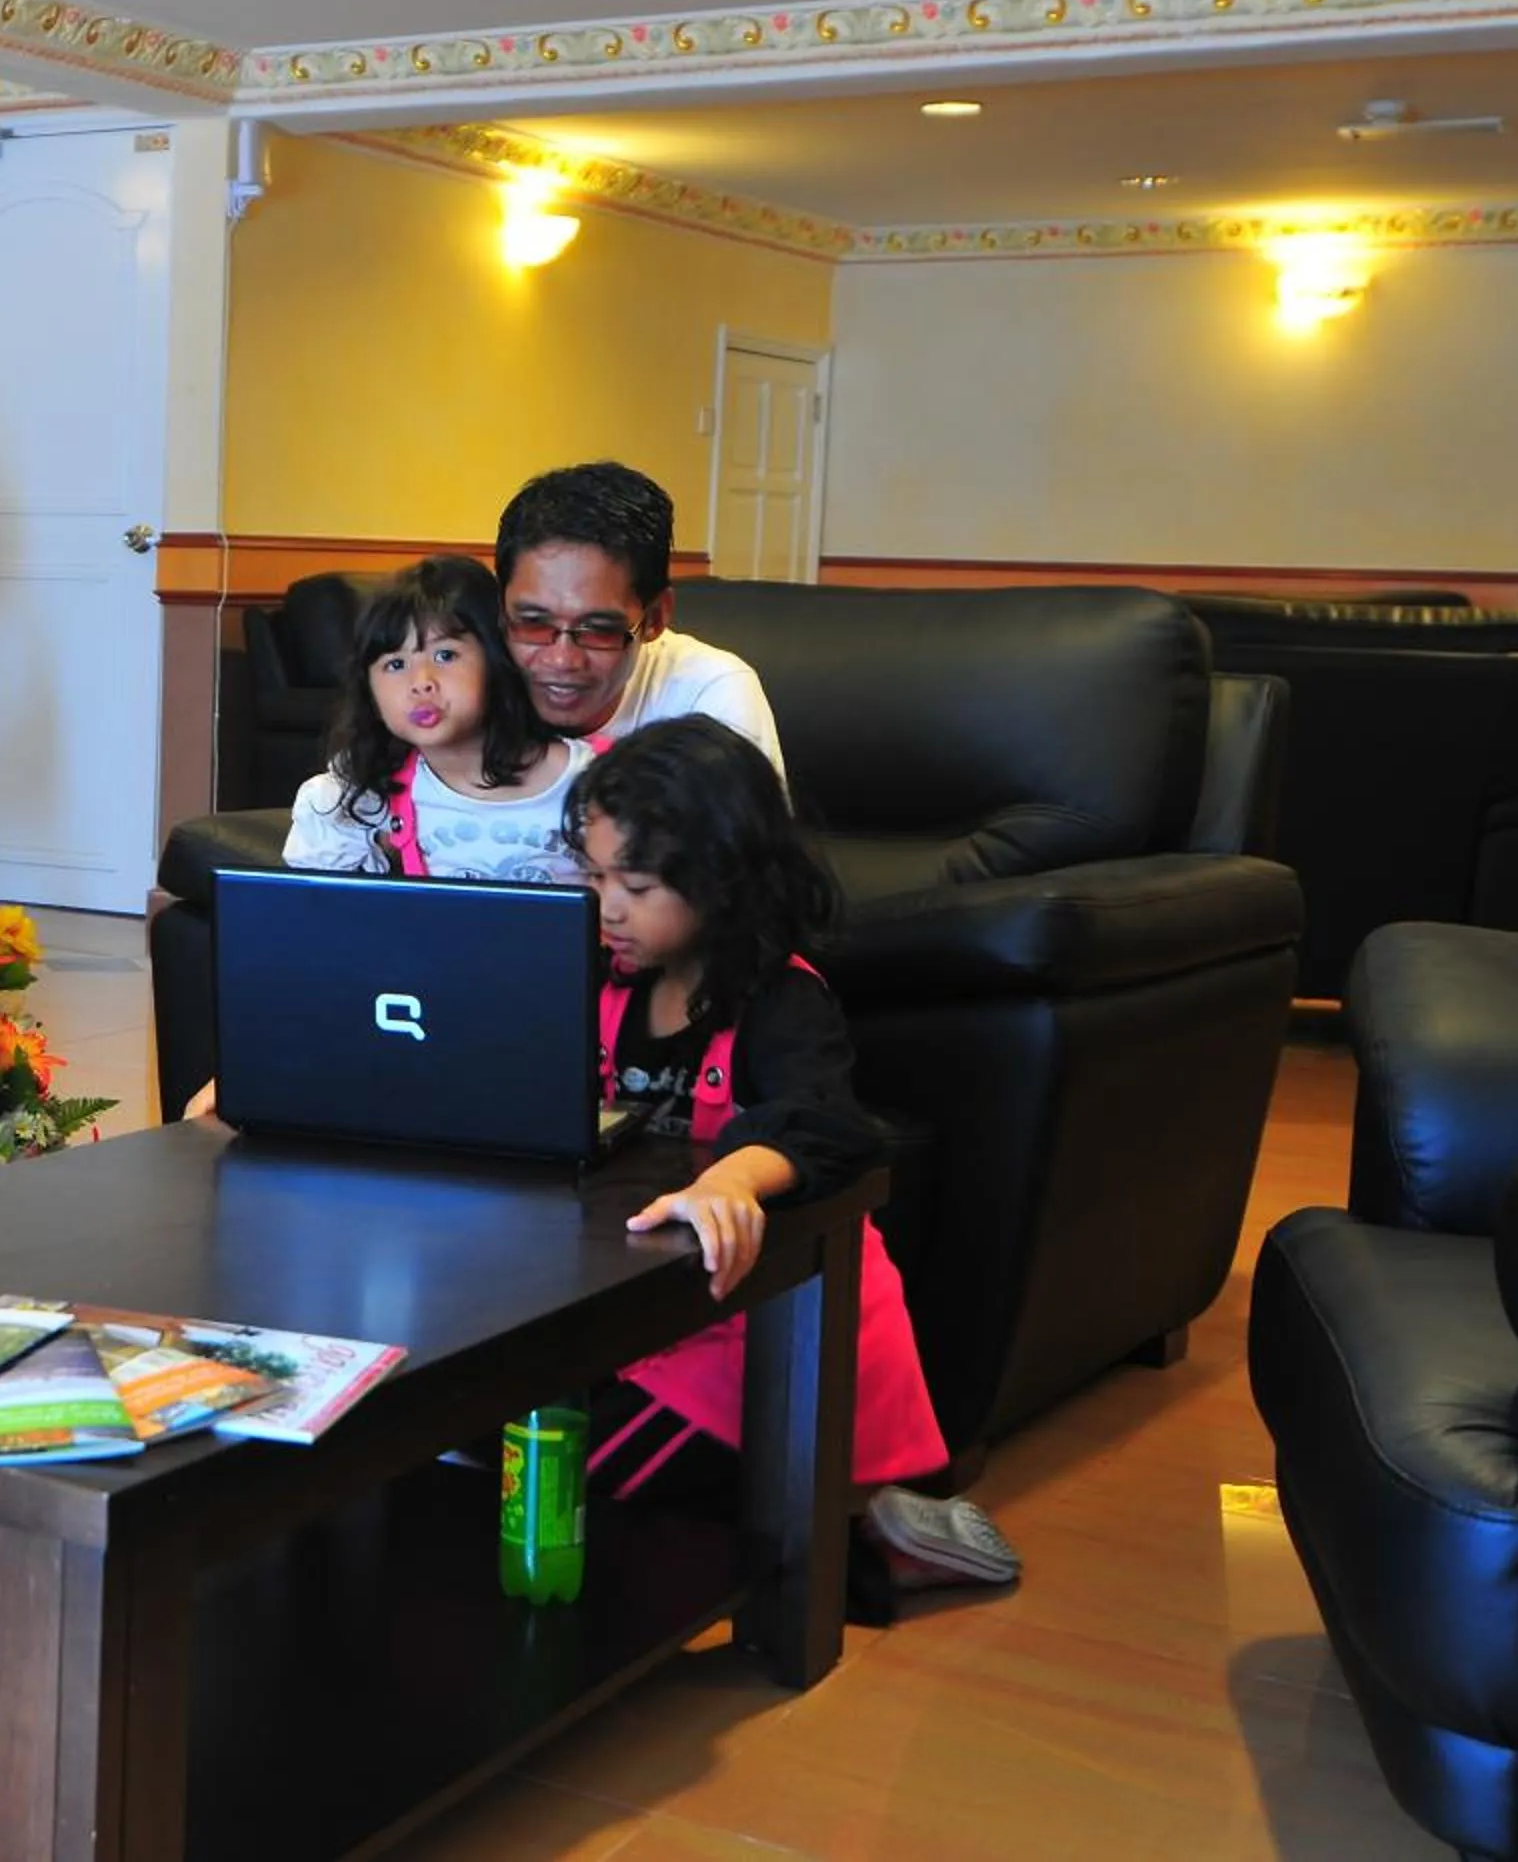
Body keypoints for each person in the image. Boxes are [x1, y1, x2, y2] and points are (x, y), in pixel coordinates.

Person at [564, 715, 1017, 1606]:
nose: (608, 906)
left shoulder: (781, 1002)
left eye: (639, 884)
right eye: (595, 876)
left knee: (571, 1473)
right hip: (649, 1310)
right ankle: (842, 1523)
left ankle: (866, 1538)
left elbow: (823, 1122)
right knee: (512, 1437)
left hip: (768, 1331)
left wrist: (733, 1176)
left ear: (722, 880)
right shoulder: (604, 977)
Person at [284, 554, 599, 883]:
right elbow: (314, 903)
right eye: (395, 664)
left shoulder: (590, 782)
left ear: (497, 658)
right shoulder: (368, 790)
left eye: (445, 655)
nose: (421, 682)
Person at [495, 462, 782, 769]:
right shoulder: (464, 678)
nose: (561, 660)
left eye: (598, 630)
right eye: (534, 624)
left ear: (656, 617)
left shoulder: (709, 694)